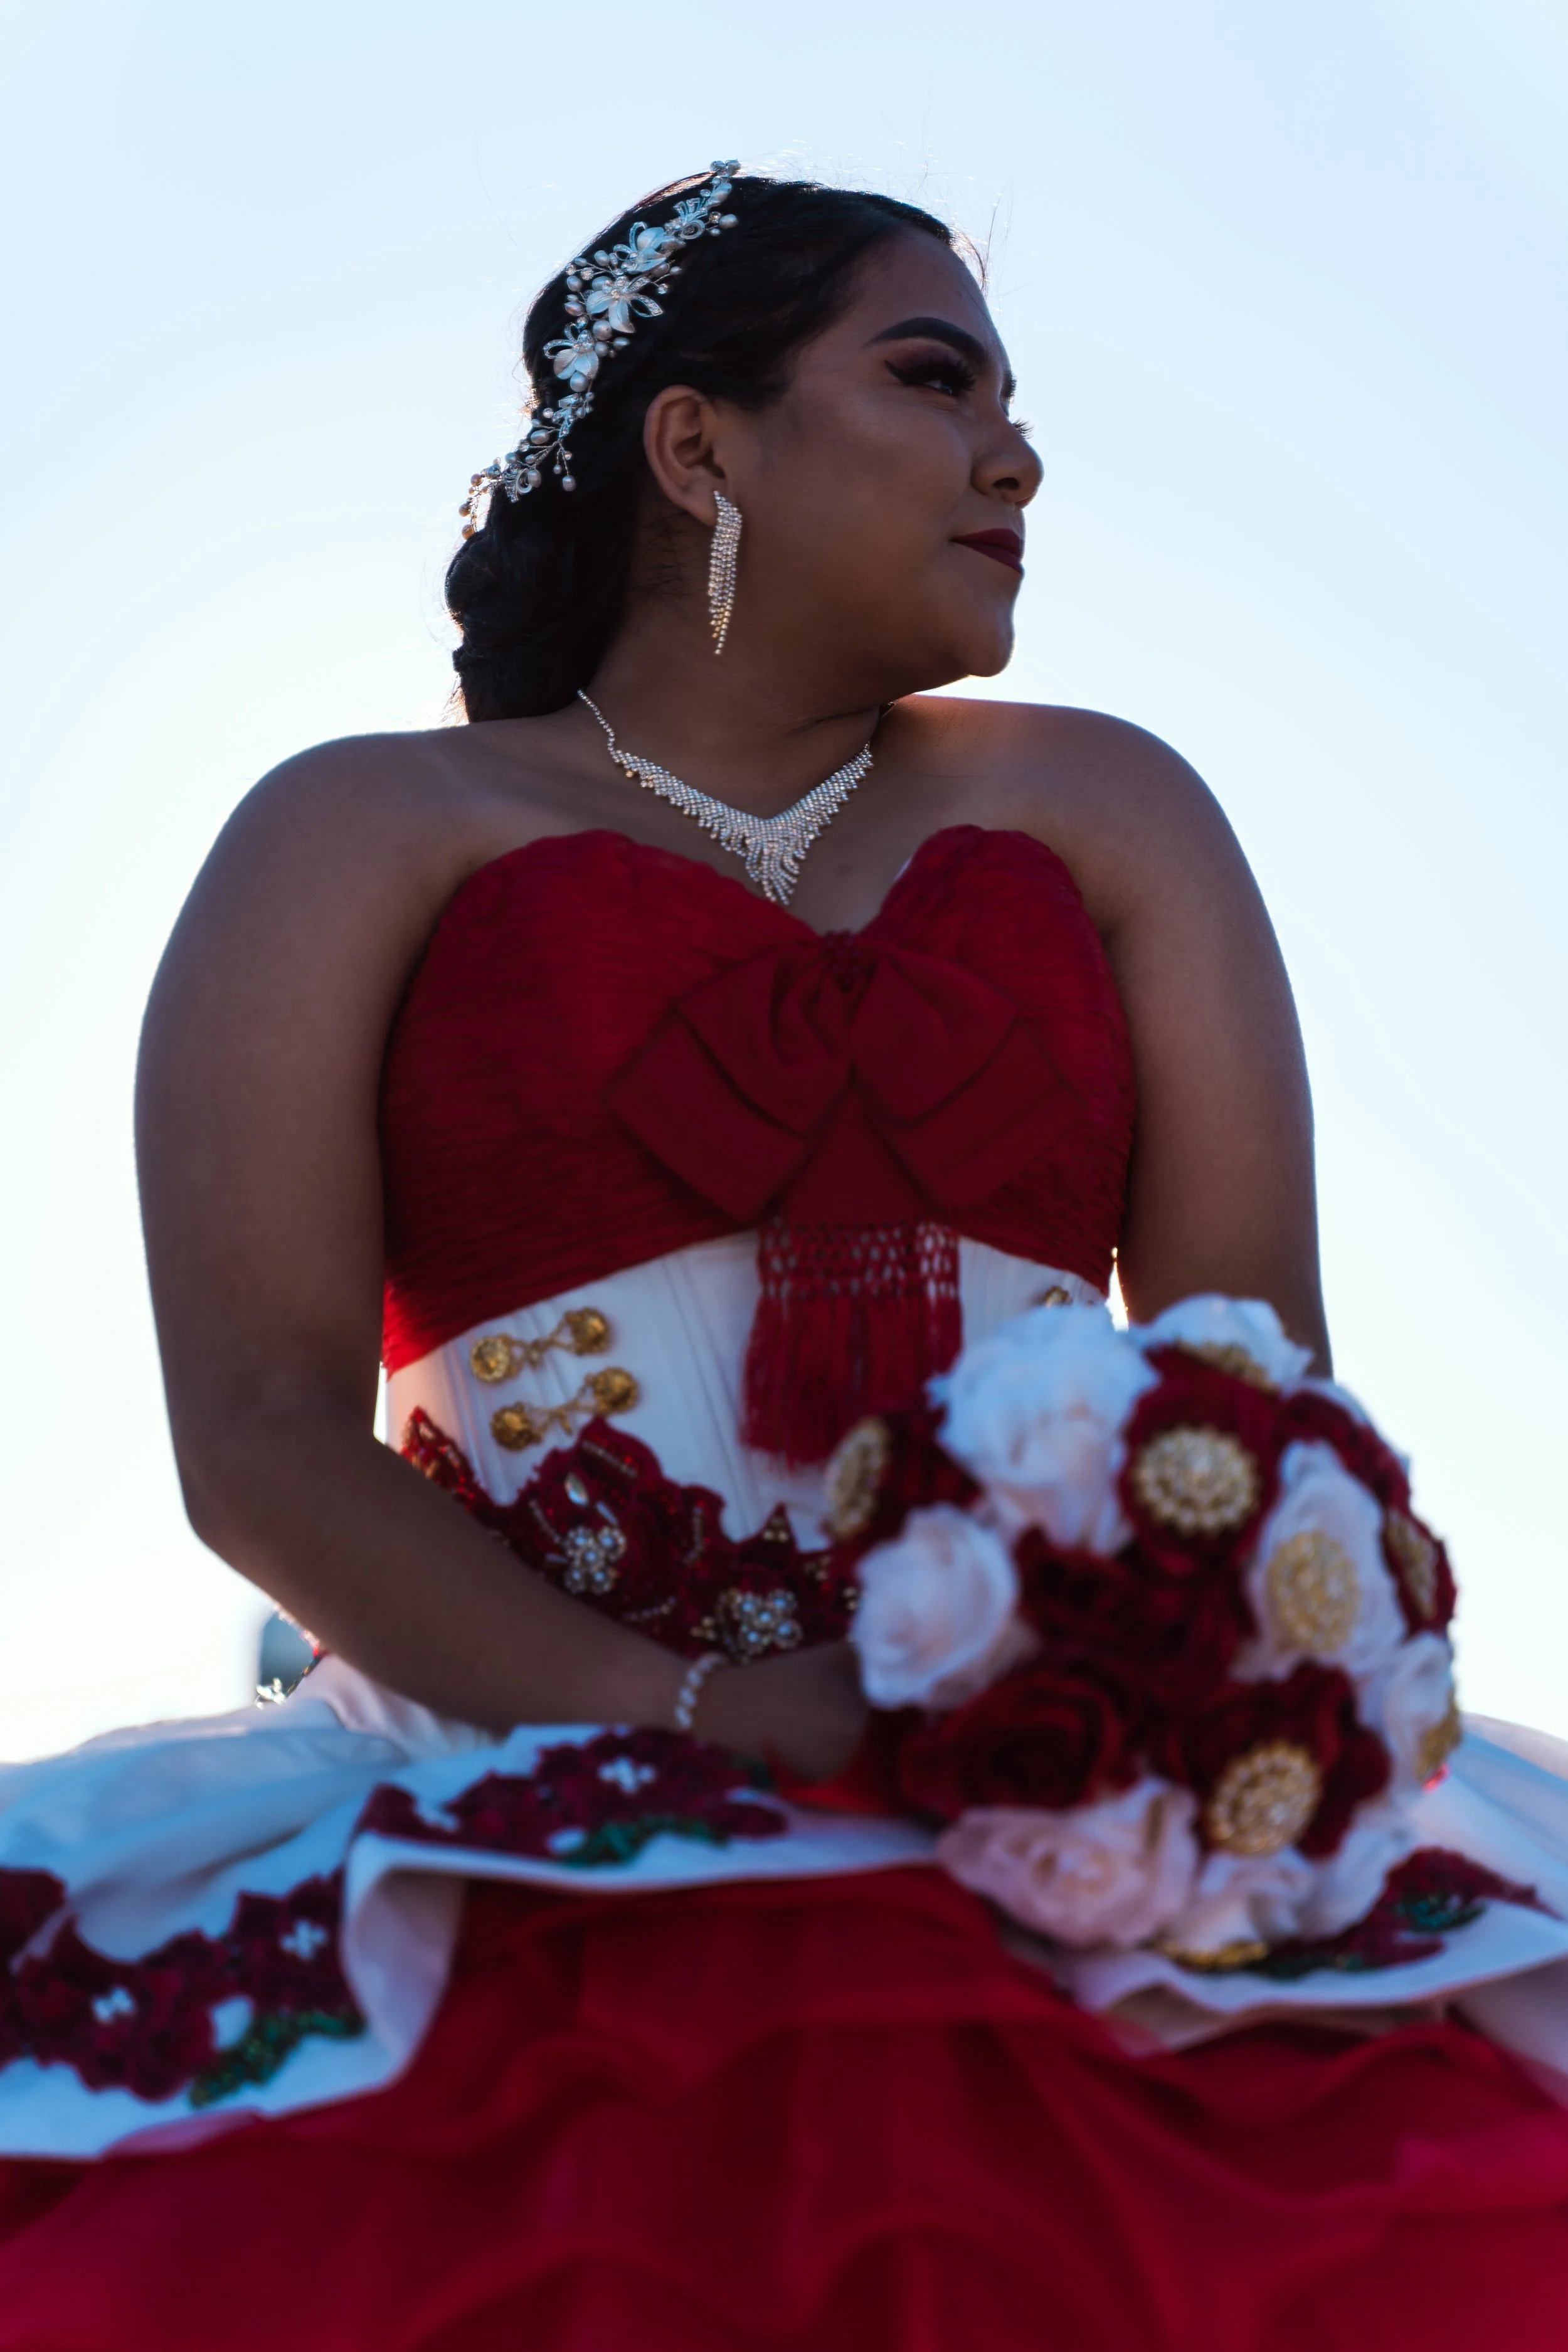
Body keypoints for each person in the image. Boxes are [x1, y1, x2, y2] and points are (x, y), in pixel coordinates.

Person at [2, 162, 1568, 2351]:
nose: (1011, 452)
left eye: (1014, 404)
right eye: (932, 379)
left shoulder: (1115, 808)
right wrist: (717, 1713)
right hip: (499, 1793)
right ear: (692, 444)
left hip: (1056, 1814)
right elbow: (261, 1434)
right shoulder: (351, 829)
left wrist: (1124, 1693)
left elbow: (1255, 1390)